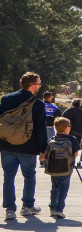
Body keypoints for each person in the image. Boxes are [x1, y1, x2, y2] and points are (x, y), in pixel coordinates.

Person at [1, 72, 47, 220]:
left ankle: (9, 209)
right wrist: (43, 149)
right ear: (32, 85)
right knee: (29, 175)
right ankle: (27, 206)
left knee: (8, 177)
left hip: (7, 145)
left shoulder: (6, 99)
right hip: (28, 146)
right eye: (39, 84)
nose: (40, 86)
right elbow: (40, 128)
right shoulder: (38, 104)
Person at [44, 116, 80, 219]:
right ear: (66, 128)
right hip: (66, 169)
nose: (70, 127)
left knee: (54, 188)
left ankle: (52, 209)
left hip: (53, 169)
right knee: (63, 189)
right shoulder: (72, 139)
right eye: (69, 126)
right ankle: (59, 210)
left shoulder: (52, 139)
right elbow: (76, 154)